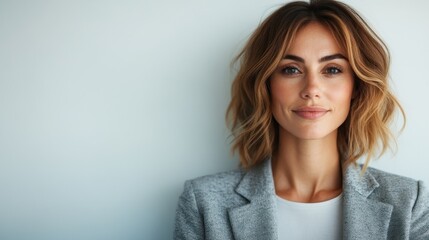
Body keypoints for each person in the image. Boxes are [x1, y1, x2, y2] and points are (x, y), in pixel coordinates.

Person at [174, 0, 429, 239]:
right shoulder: (203, 203)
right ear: (266, 85)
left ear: (357, 87)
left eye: (332, 70)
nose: (311, 89)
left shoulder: (409, 202)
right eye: (291, 69)